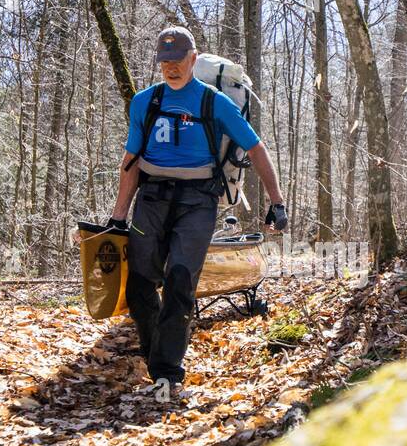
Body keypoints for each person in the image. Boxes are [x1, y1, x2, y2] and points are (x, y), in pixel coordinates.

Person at [106, 26, 286, 397]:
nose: (171, 67)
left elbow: (255, 148)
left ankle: (166, 373)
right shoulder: (145, 102)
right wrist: (119, 215)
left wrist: (277, 201)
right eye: (164, 61)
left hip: (198, 200)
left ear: (193, 58)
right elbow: (131, 161)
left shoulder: (214, 102)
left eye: (177, 60)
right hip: (152, 197)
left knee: (180, 282)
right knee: (140, 284)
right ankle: (158, 358)